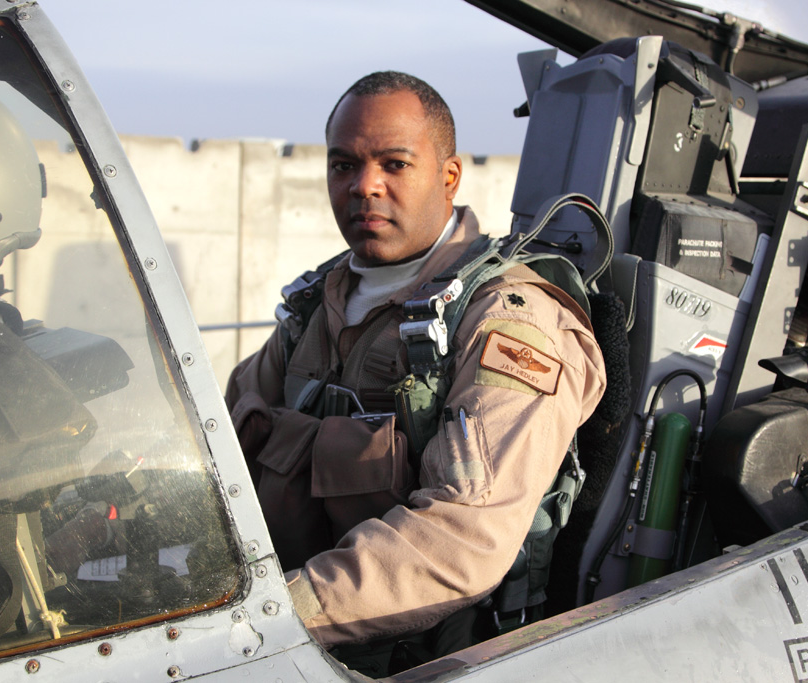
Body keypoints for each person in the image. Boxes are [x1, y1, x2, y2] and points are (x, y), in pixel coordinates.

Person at [225, 71, 606, 670]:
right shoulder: (315, 305)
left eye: (394, 165)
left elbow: (464, 535)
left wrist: (272, 615)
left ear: (448, 177)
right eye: (343, 165)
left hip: (421, 657)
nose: (364, 186)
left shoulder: (508, 319)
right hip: (280, 637)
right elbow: (225, 434)